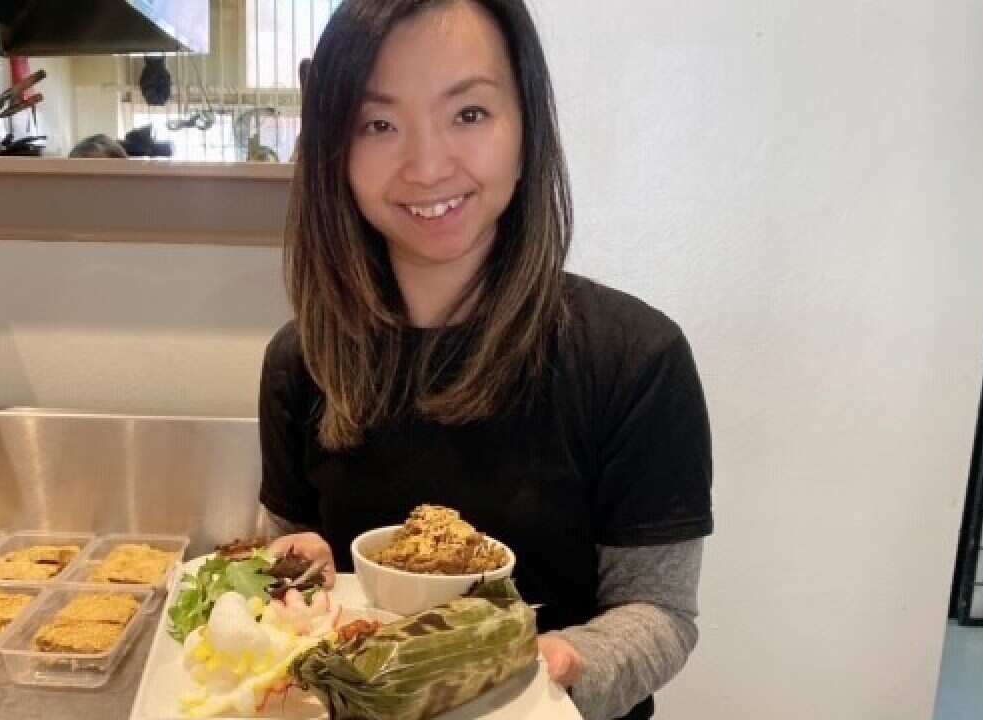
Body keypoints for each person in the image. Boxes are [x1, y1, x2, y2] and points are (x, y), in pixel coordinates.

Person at [258, 2, 713, 720]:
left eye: (468, 114)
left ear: (526, 124)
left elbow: (658, 609)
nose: (429, 165)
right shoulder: (302, 358)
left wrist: (555, 668)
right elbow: (289, 557)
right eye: (378, 124)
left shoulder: (635, 357)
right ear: (336, 153)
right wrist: (286, 570)